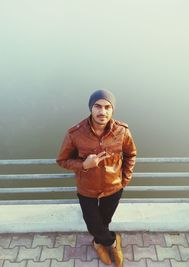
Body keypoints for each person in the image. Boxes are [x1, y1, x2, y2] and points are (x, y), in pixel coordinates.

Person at [56, 89, 137, 267]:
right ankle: (112, 242)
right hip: (87, 189)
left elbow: (131, 155)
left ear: (112, 109)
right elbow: (62, 160)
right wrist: (83, 165)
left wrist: (125, 179)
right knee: (93, 225)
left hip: (114, 187)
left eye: (107, 107)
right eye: (97, 106)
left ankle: (99, 243)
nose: (102, 111)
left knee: (105, 221)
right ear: (91, 108)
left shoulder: (122, 131)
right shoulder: (75, 134)